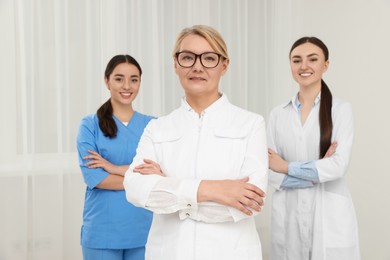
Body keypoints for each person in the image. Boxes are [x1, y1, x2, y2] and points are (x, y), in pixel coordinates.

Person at [123, 25, 268, 260]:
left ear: (224, 65)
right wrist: (213, 189)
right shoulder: (158, 128)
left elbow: (249, 202)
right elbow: (137, 190)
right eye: (188, 57)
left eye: (209, 58)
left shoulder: (250, 125)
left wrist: (168, 185)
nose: (197, 66)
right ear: (176, 64)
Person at [267, 37, 360, 259]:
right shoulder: (277, 114)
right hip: (288, 217)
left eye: (313, 59)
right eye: (296, 60)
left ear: (325, 65)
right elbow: (268, 171)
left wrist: (286, 166)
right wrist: (317, 172)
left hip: (329, 218)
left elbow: (338, 167)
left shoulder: (340, 110)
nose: (304, 66)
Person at [76, 54, 155, 260]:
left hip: (144, 229)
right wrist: (139, 178)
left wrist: (112, 167)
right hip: (103, 230)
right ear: (107, 80)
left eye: (134, 79)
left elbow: (160, 174)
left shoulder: (153, 126)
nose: (127, 86)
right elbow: (96, 178)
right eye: (119, 78)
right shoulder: (90, 125)